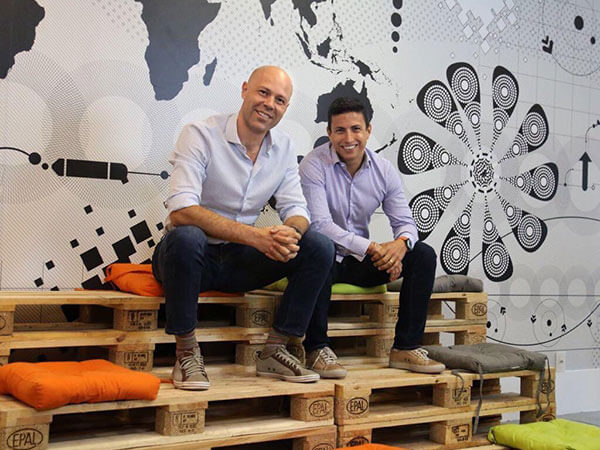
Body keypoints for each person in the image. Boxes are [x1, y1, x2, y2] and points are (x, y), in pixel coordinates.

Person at [152, 66, 335, 390]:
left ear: (285, 108)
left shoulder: (284, 148)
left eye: (279, 100)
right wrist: (255, 237)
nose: (269, 104)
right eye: (263, 92)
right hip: (188, 258)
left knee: (319, 246)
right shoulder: (200, 134)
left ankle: (275, 350)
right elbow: (181, 210)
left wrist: (290, 232)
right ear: (245, 89)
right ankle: (186, 353)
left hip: (239, 261)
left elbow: (297, 210)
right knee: (187, 237)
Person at [299, 97, 445, 374]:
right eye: (340, 130)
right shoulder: (313, 164)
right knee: (320, 248)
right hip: (324, 260)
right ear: (329, 133)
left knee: (422, 254)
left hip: (359, 262)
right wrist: (373, 247)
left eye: (356, 129)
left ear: (368, 130)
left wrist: (400, 246)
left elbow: (405, 223)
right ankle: (316, 349)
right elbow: (320, 225)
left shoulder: (384, 170)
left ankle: (405, 348)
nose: (348, 138)